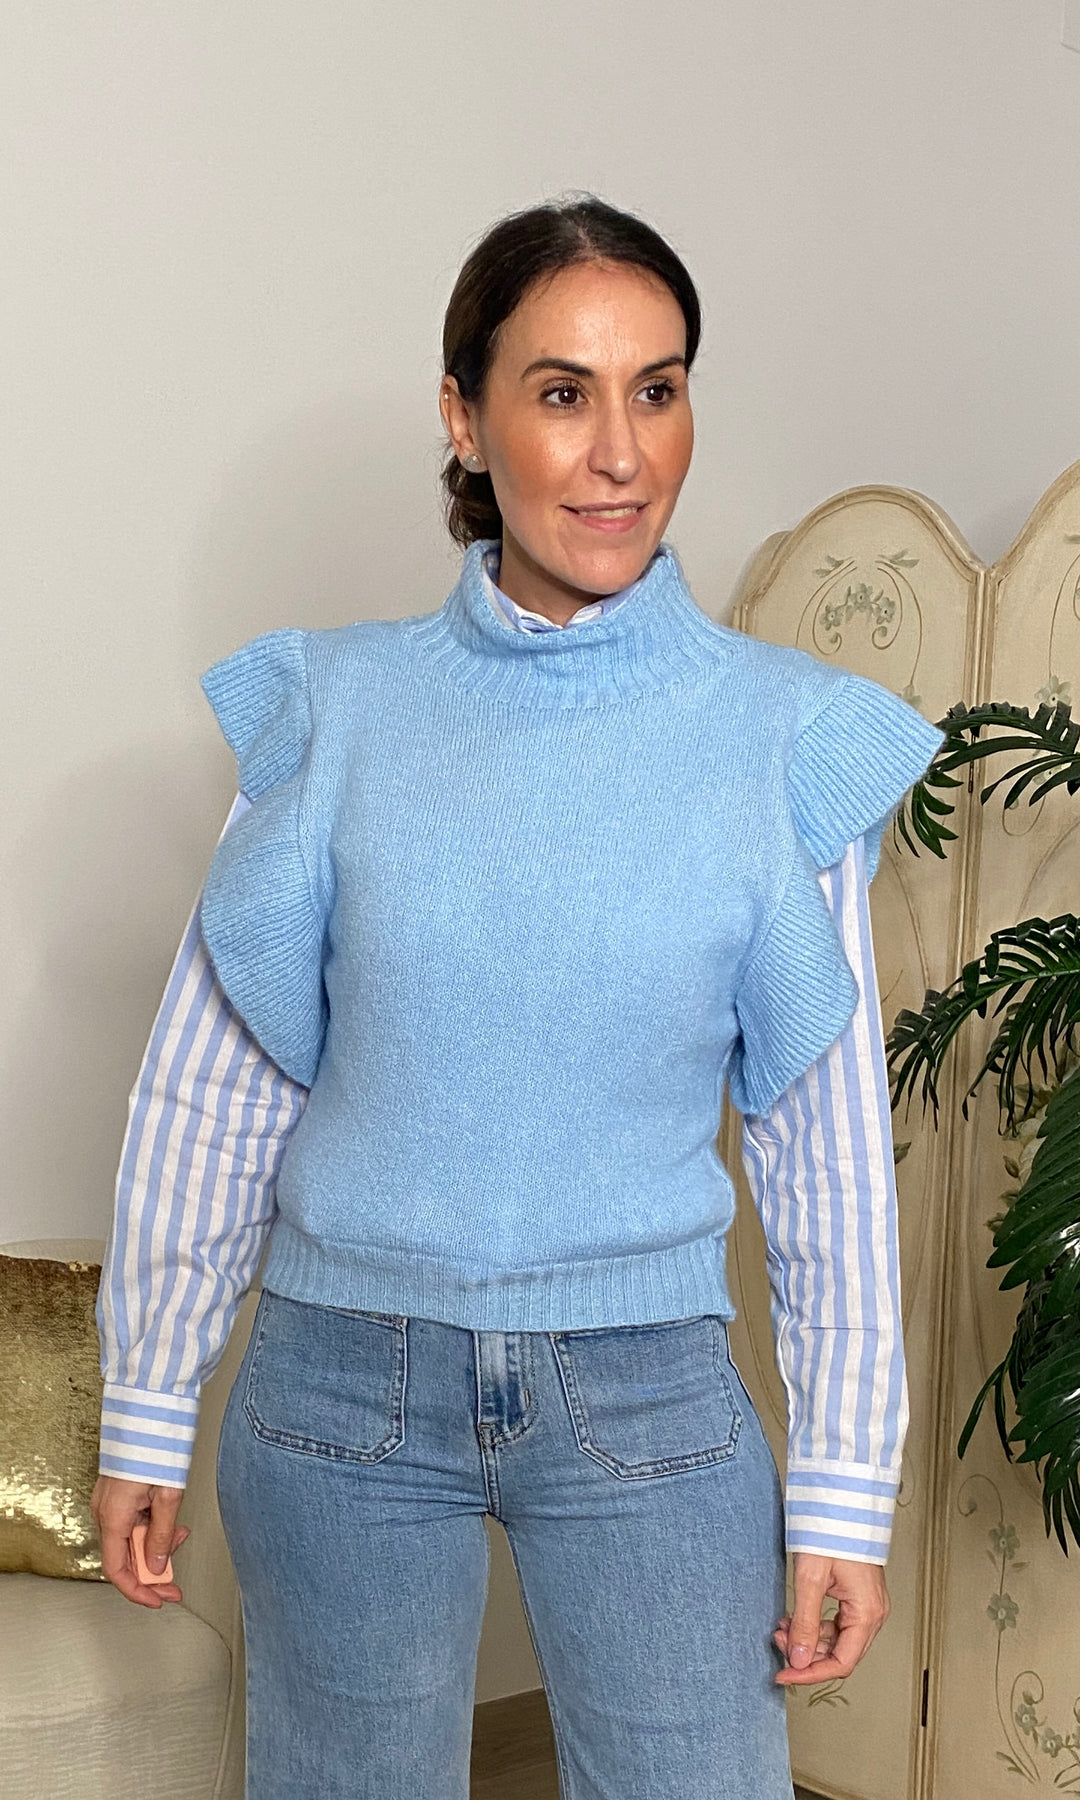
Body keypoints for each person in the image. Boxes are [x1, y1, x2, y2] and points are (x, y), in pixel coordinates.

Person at [91, 195, 943, 1800]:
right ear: (464, 419)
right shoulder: (335, 711)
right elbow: (221, 1079)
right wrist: (148, 1397)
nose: (621, 452)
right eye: (562, 393)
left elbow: (823, 1145)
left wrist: (842, 1487)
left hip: (650, 1397)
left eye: (658, 389)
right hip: (339, 1389)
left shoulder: (781, 741)